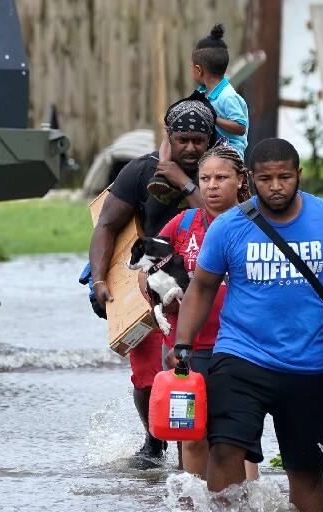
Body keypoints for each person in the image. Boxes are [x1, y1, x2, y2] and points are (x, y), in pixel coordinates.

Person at [172, 137, 323, 512]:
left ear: (299, 175)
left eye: (284, 177)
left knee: (307, 470)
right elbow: (202, 288)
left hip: (308, 363)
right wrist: (183, 342)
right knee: (225, 449)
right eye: (265, 179)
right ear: (250, 179)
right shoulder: (229, 227)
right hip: (241, 356)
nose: (275, 187)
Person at [89, 93, 216, 466]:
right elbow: (107, 225)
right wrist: (100, 280)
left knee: (200, 370)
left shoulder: (221, 173)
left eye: (199, 141)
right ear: (168, 136)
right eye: (183, 140)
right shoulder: (142, 171)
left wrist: (184, 182)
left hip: (209, 287)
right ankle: (154, 440)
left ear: (210, 139)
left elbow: (222, 224)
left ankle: (196, 448)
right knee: (147, 376)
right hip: (153, 287)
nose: (191, 148)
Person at [154, 144, 258, 482]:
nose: (211, 185)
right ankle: (191, 503)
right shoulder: (182, 224)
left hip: (242, 349)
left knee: (238, 440)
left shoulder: (258, 226)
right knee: (191, 435)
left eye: (221, 178)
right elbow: (145, 270)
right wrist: (160, 293)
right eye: (204, 178)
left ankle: (246, 505)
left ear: (241, 180)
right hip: (187, 350)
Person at [149, 24, 250, 201]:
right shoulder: (205, 91)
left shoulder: (227, 96)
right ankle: (162, 174)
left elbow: (241, 127)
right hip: (213, 143)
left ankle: (184, 186)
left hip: (229, 149)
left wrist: (215, 119)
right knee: (170, 133)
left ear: (198, 69)